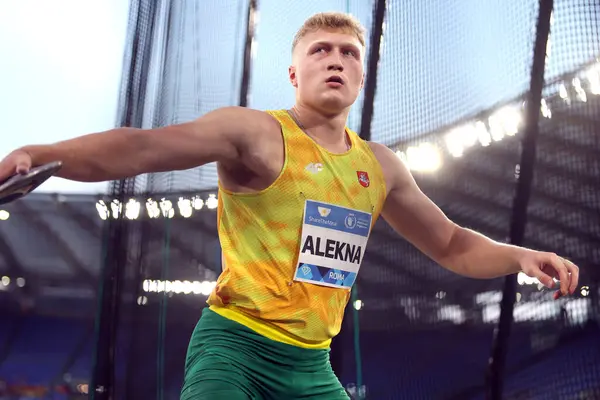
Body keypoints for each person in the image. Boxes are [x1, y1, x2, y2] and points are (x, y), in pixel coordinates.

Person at [0, 12, 579, 400]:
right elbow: (142, 146)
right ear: (294, 72)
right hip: (235, 347)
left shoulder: (380, 167)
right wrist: (42, 152)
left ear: (361, 73)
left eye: (349, 53)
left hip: (311, 366)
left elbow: (451, 243)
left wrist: (518, 255)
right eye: (320, 50)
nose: (336, 59)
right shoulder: (253, 134)